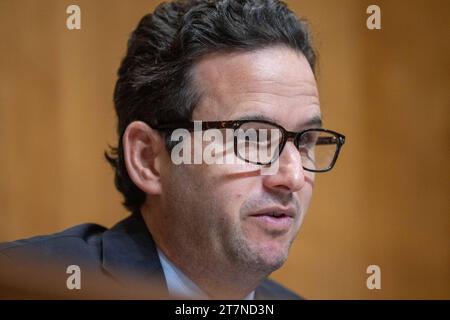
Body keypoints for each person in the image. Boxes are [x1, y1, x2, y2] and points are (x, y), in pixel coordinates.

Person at [0, 0, 345, 299]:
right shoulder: (24, 285)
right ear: (148, 159)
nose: (292, 176)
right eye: (252, 138)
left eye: (305, 141)